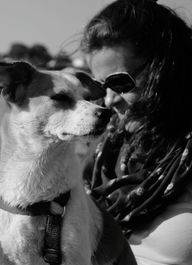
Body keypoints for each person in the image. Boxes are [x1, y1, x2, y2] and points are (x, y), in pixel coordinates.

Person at [79, 0, 192, 264]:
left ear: (166, 70)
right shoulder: (106, 155)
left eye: (120, 83)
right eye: (101, 86)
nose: (108, 100)